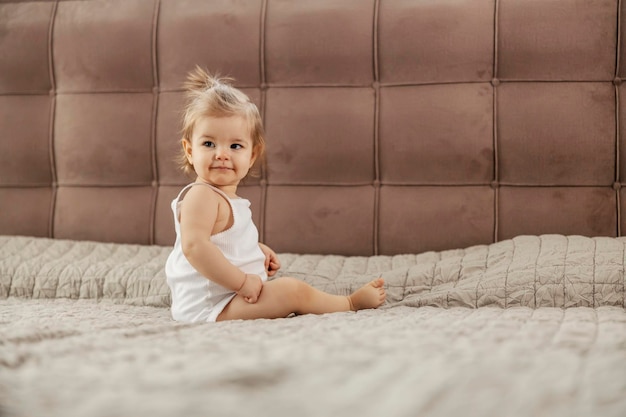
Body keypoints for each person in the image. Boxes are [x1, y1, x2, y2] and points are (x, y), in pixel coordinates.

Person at [165, 67, 386, 322]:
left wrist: (254, 249)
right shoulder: (201, 196)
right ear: (190, 150)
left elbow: (220, 240)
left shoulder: (224, 198)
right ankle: (348, 303)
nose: (222, 154)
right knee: (291, 291)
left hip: (226, 297)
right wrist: (241, 282)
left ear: (252, 155)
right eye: (209, 144)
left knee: (285, 289)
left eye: (235, 145)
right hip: (209, 306)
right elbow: (195, 247)